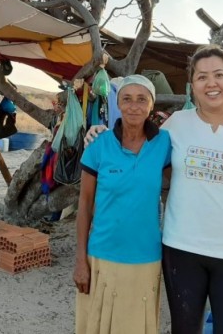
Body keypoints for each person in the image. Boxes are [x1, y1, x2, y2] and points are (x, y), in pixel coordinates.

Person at [86, 45, 223, 334]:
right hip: (181, 250)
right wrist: (102, 134)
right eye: (202, 77)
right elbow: (138, 142)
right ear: (193, 86)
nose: (211, 83)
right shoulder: (177, 124)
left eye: (219, 74)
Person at [73, 75, 172, 334]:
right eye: (127, 99)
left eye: (142, 100)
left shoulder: (164, 144)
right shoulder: (99, 145)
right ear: (118, 103)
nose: (134, 106)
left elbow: (182, 183)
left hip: (146, 256)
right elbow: (84, 205)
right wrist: (80, 261)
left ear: (152, 106)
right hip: (101, 254)